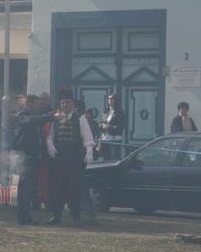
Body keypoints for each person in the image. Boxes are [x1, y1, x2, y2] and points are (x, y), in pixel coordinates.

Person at [45, 87, 95, 225]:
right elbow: (50, 136)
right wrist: (50, 146)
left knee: (74, 187)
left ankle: (76, 216)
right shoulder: (55, 118)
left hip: (74, 159)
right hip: (59, 159)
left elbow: (87, 137)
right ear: (60, 104)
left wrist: (89, 152)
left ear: (72, 104)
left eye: (67, 102)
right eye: (63, 103)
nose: (65, 105)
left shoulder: (80, 118)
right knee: (57, 187)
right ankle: (56, 215)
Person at [13, 95, 54, 225]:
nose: (39, 105)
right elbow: (29, 121)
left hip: (33, 155)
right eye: (36, 103)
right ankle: (23, 217)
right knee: (25, 187)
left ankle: (26, 217)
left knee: (30, 188)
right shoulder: (23, 115)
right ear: (29, 104)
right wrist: (50, 117)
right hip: (25, 155)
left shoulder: (33, 116)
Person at [99, 94, 125, 160]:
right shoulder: (106, 111)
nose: (109, 100)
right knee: (106, 158)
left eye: (111, 99)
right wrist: (102, 126)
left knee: (114, 158)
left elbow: (121, 126)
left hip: (114, 139)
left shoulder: (119, 112)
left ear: (115, 100)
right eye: (108, 99)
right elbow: (101, 122)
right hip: (105, 138)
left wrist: (109, 127)